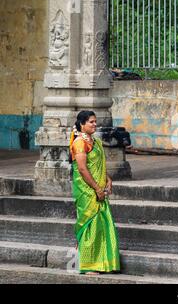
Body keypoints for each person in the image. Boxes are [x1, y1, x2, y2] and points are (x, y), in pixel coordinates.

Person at [69, 110, 120, 274]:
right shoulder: (79, 143)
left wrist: (107, 178)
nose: (95, 124)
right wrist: (97, 188)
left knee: (101, 225)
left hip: (98, 189)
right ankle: (87, 265)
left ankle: (103, 262)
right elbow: (83, 169)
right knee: (89, 225)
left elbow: (97, 164)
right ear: (82, 124)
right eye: (91, 122)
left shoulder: (96, 142)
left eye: (95, 121)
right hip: (87, 190)